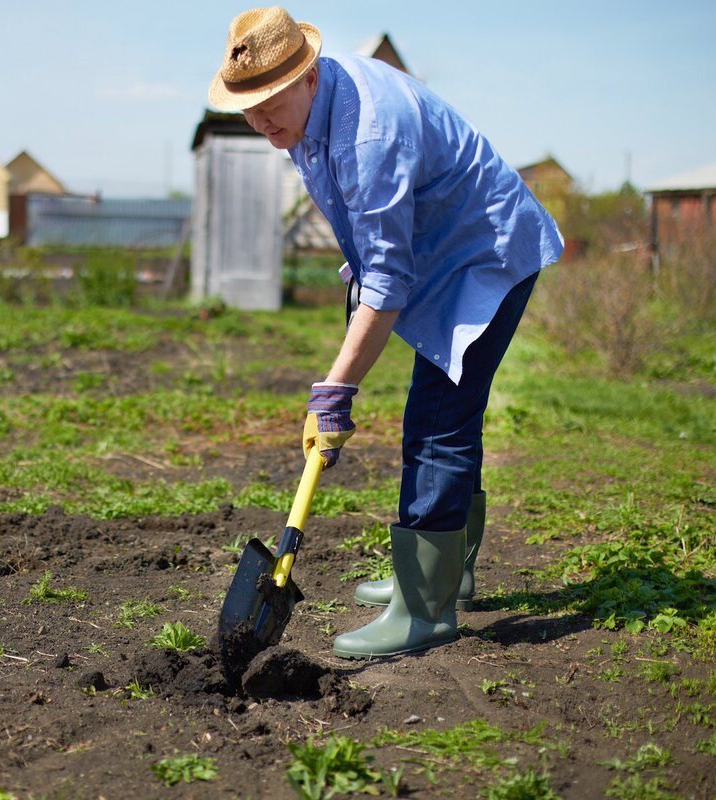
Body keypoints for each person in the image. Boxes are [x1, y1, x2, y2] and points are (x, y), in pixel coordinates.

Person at [208, 7, 563, 658]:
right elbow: (371, 244)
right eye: (246, 106)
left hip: (487, 255)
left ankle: (423, 611)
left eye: (267, 102)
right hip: (441, 254)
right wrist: (340, 375)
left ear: (307, 76)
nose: (258, 120)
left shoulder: (367, 132)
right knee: (447, 414)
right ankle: (443, 580)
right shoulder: (308, 119)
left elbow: (387, 280)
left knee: (437, 419)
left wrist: (336, 387)